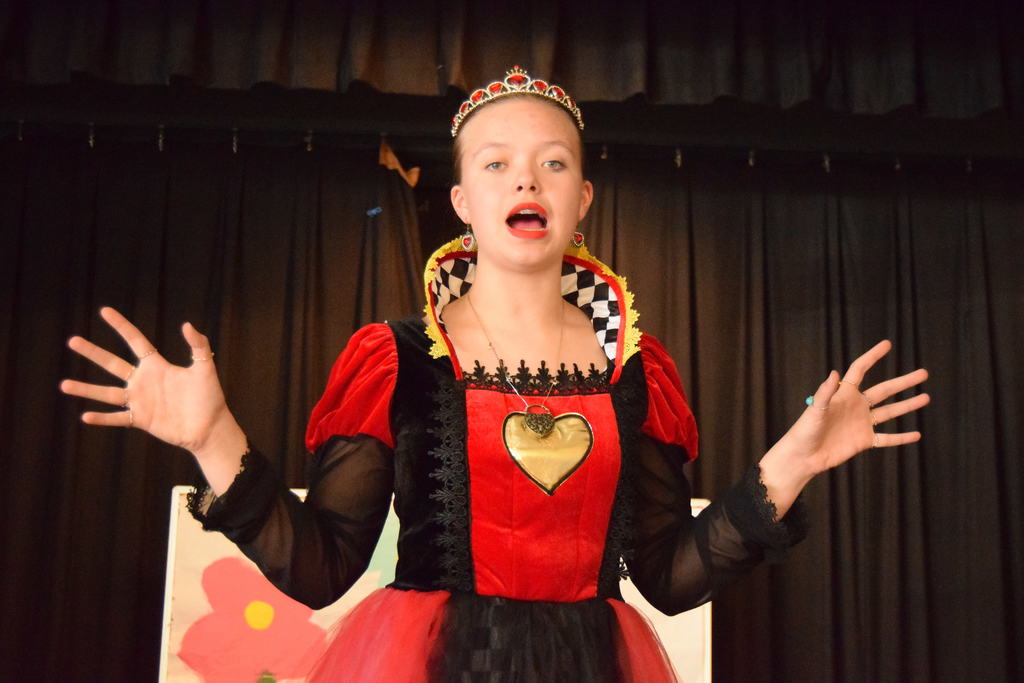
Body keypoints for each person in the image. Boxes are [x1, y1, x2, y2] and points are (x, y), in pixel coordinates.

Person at [60, 66, 930, 682]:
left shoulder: (637, 373)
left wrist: (794, 462)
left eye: (554, 161)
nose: (528, 178)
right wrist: (214, 438)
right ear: (464, 202)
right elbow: (322, 568)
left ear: (583, 198)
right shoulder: (394, 360)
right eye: (497, 163)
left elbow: (668, 578)